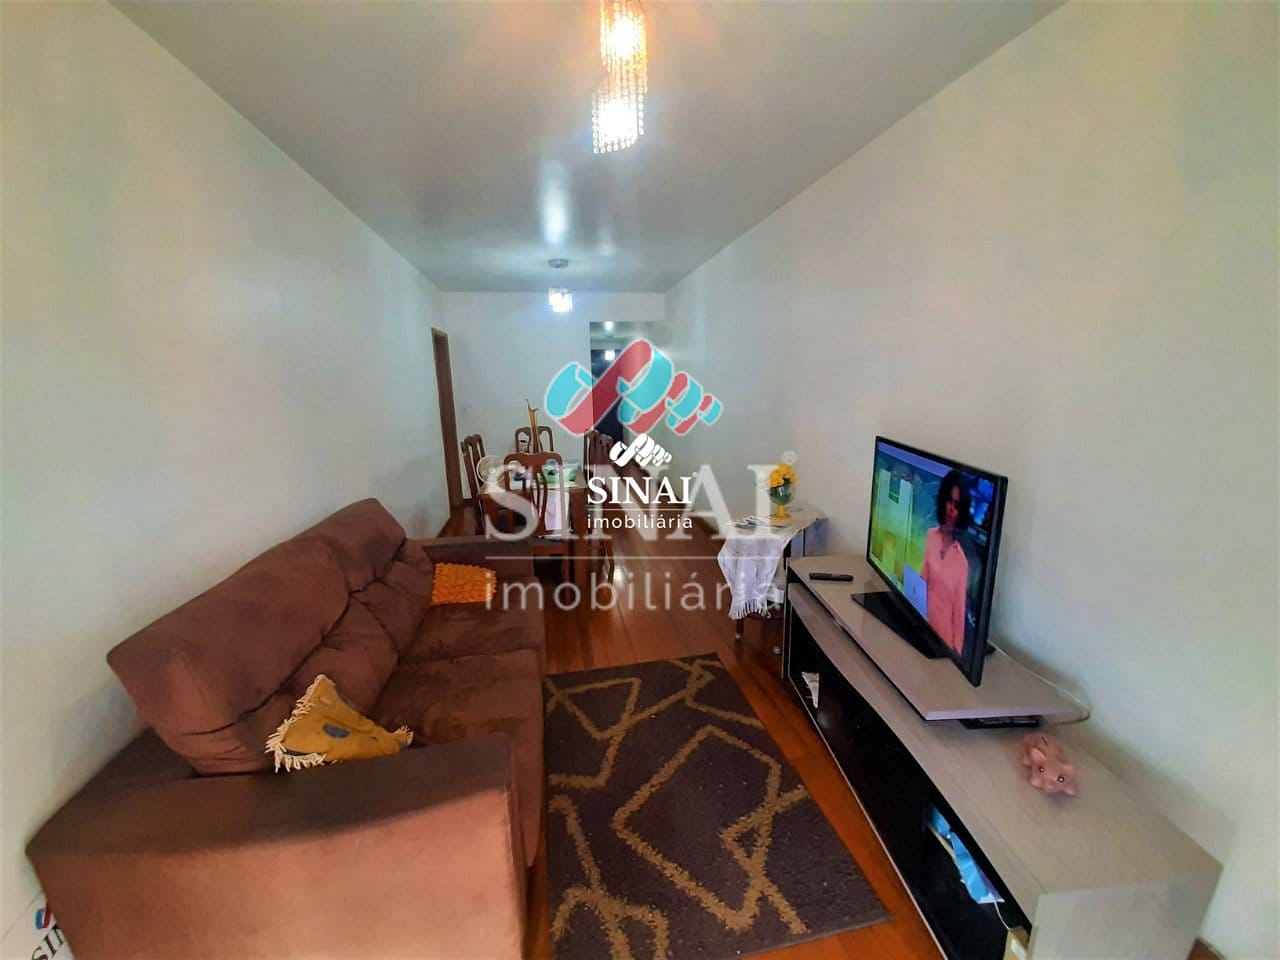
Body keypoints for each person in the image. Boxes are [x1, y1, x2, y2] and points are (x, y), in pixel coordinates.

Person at [920, 470, 971, 655]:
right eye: (949, 501)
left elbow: (959, 612)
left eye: (957, 505)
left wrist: (956, 652)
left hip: (943, 643)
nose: (951, 509)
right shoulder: (930, 536)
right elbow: (922, 580)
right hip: (922, 628)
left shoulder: (961, 561)